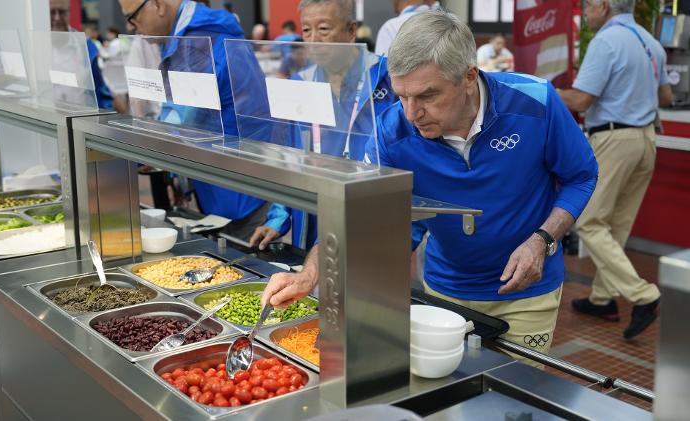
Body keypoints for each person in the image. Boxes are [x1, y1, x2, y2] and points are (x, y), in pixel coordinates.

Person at [262, 11, 599, 358]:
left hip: (528, 292)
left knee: (513, 406)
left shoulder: (536, 102)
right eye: (401, 96)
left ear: (469, 77)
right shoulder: (390, 132)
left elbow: (582, 175)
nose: (411, 113)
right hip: (444, 288)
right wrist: (310, 274)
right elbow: (357, 213)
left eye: (426, 95)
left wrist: (541, 241)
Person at [558, 0, 672, 339]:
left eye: (588, 6)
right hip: (647, 140)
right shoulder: (651, 43)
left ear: (604, 6)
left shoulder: (606, 41)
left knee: (589, 219)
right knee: (617, 224)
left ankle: (644, 295)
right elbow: (665, 96)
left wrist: (542, 89)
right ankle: (602, 298)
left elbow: (580, 101)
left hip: (614, 138)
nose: (586, 13)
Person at [249, 0, 398, 251]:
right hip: (314, 214)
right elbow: (291, 158)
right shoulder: (300, 84)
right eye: (306, 30)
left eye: (324, 29)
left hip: (371, 213)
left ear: (352, 31)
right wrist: (278, 218)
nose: (314, 39)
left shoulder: (387, 79)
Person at [119, 0, 270, 240]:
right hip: (228, 174)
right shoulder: (190, 35)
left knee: (241, 258)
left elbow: (177, 120)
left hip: (238, 183)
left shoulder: (196, 41)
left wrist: (129, 154)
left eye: (133, 16)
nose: (130, 27)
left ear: (158, 5)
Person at [50, 0, 127, 113]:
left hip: (80, 118)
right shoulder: (35, 45)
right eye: (52, 12)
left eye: (62, 12)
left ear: (69, 12)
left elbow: (101, 89)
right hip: (47, 118)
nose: (57, 18)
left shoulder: (85, 46)